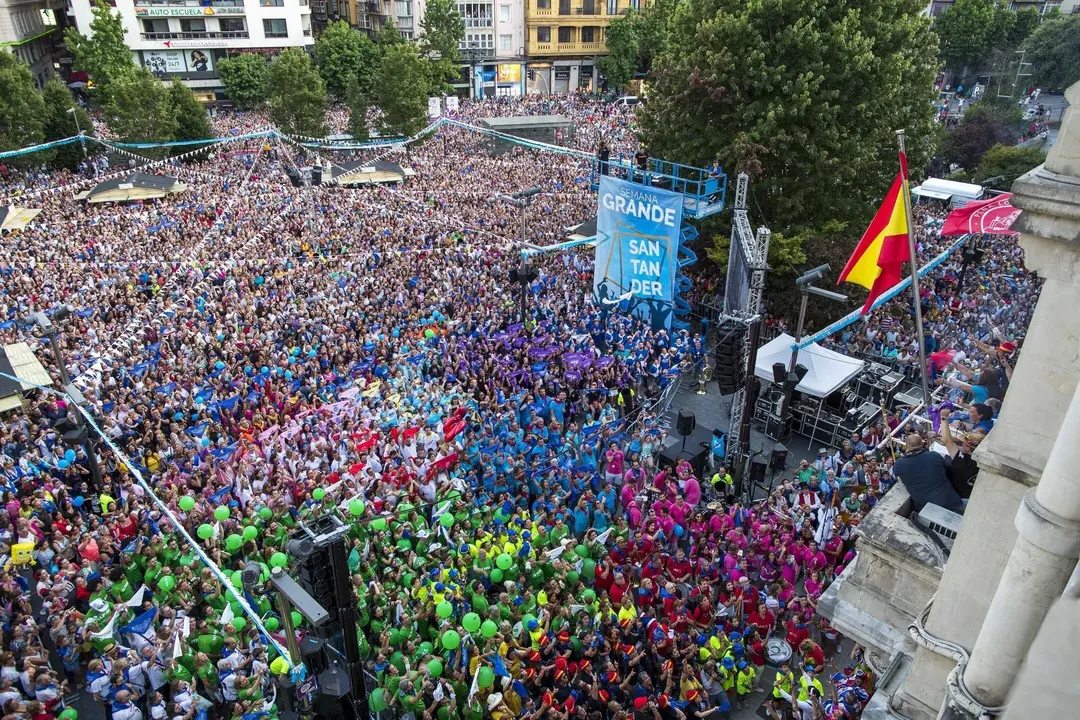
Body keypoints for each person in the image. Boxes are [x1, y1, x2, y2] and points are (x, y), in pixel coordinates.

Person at [892, 433, 965, 514]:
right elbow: (948, 470)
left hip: (926, 509)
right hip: (949, 501)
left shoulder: (899, 464)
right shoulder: (934, 455)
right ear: (922, 443)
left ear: (906, 444)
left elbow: (898, 475)